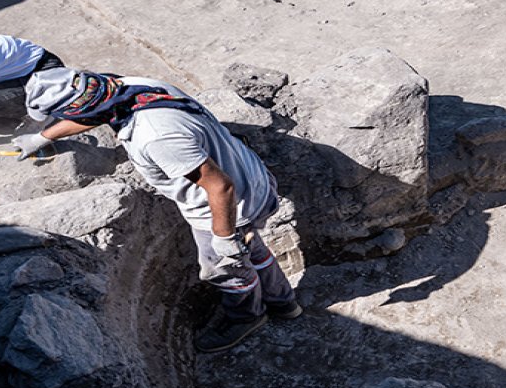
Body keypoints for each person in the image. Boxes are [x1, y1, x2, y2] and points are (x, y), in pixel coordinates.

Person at [17, 67, 301, 353]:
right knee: (251, 247)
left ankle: (246, 316)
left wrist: (224, 237)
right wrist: (44, 137)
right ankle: (283, 303)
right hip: (251, 178)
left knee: (226, 268)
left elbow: (220, 187)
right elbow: (92, 112)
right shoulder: (131, 87)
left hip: (226, 207)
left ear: (78, 108)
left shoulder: (155, 136)